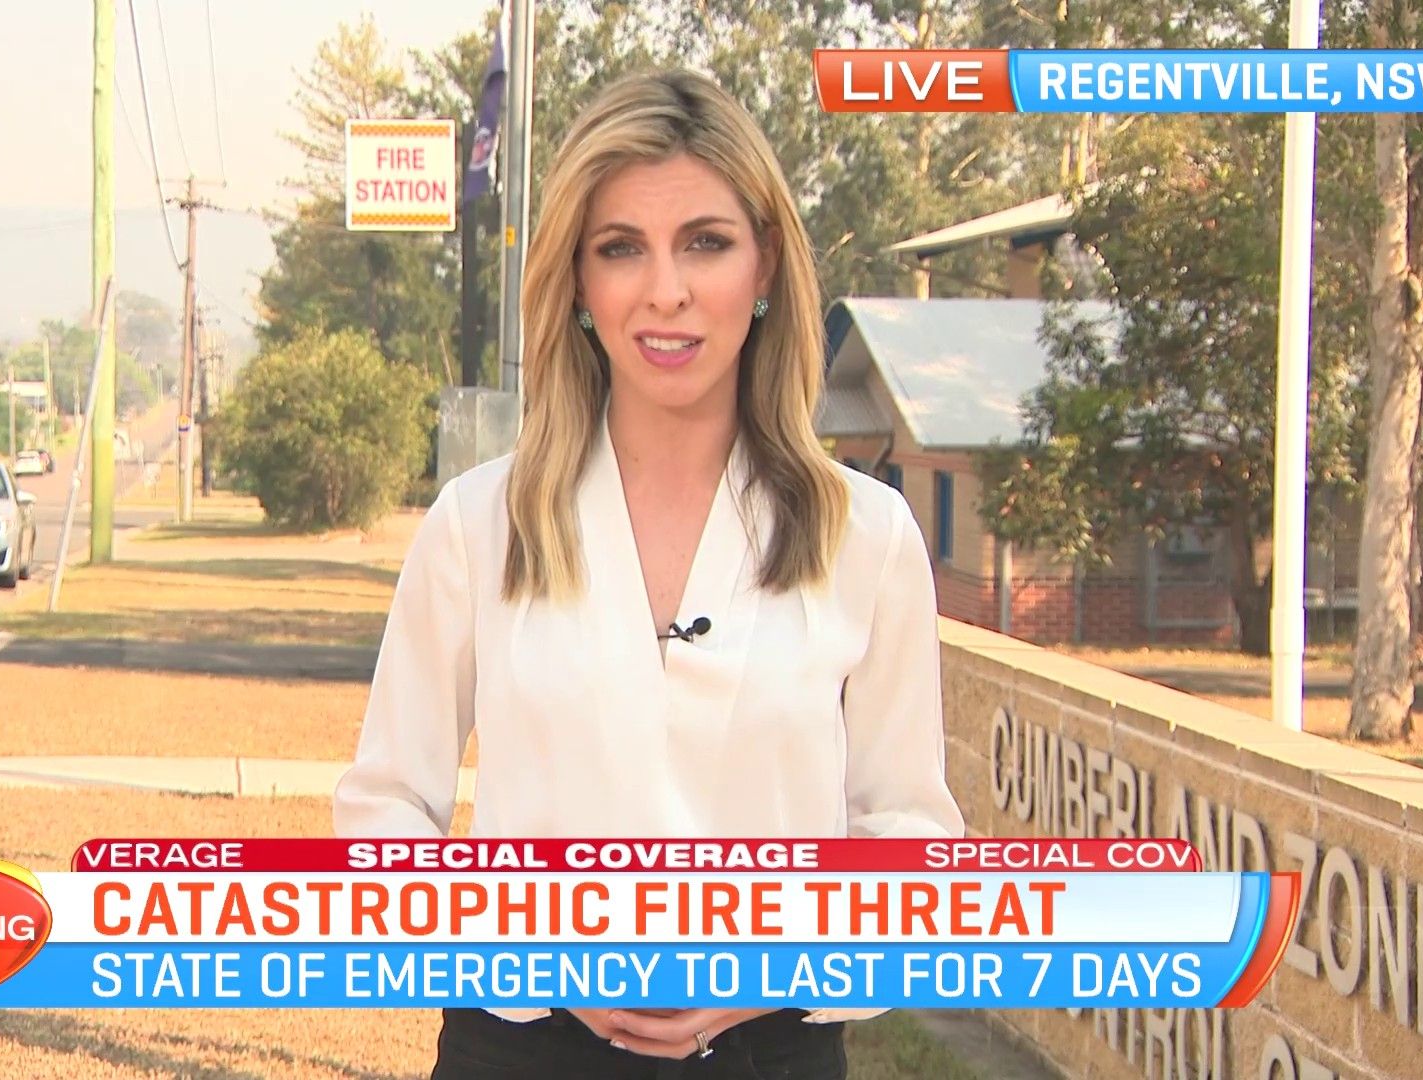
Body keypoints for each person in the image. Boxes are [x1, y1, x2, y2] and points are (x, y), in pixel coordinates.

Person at [333, 69, 966, 1078]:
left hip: (773, 1053)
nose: (665, 290)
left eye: (705, 243)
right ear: (579, 284)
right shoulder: (477, 525)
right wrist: (536, 951)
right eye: (622, 248)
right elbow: (384, 815)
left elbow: (909, 844)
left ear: (765, 266)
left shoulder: (867, 537)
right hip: (521, 1051)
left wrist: (769, 967)